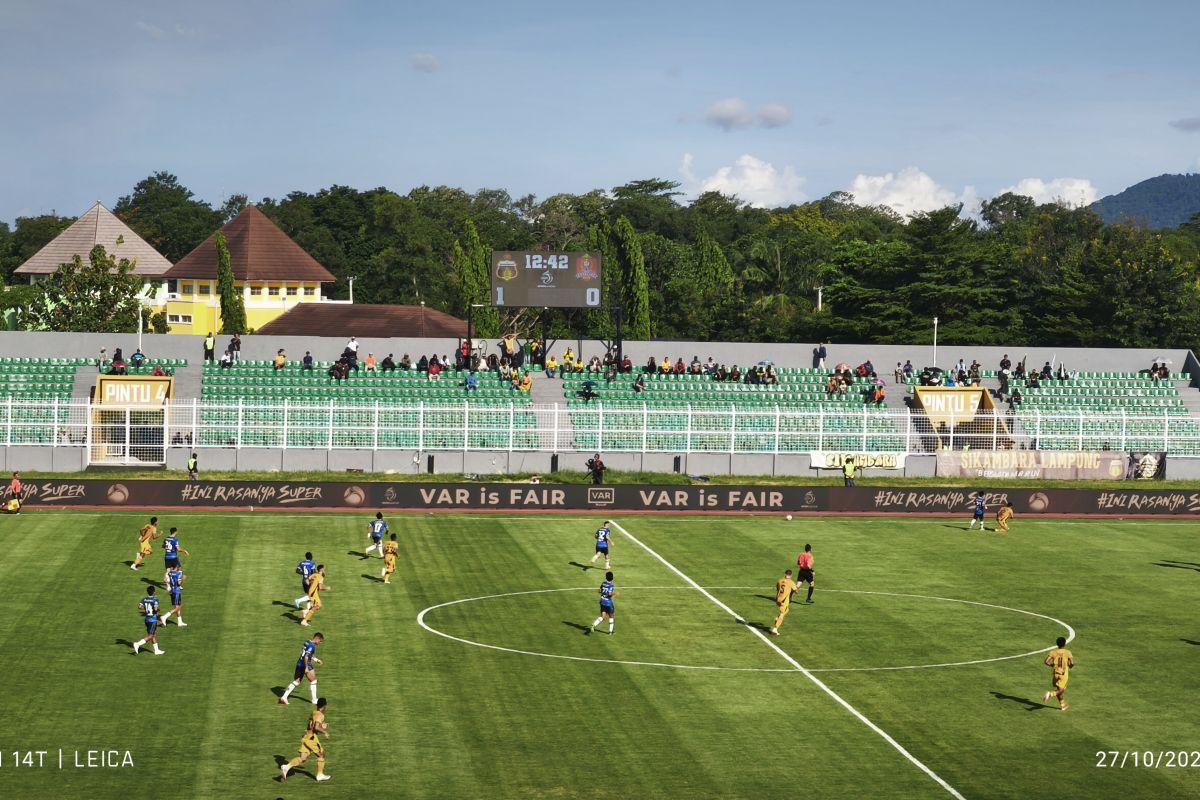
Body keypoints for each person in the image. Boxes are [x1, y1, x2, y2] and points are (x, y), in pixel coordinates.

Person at [280, 697, 331, 782]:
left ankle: (286, 767)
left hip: (305, 737)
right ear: (325, 705)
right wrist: (324, 732)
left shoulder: (314, 712)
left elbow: (313, 725)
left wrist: (322, 725)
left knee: (303, 758)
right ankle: (320, 775)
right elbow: (316, 727)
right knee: (321, 754)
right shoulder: (320, 715)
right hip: (311, 738)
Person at [279, 633, 324, 706]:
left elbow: (306, 653)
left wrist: (316, 660)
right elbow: (306, 656)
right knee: (313, 680)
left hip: (299, 663)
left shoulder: (307, 642)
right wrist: (306, 667)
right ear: (317, 639)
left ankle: (284, 697)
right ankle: (314, 699)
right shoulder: (312, 646)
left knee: (297, 681)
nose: (320, 643)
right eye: (320, 641)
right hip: (306, 664)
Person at [1042, 636, 1074, 711]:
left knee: (1058, 690)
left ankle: (1063, 705)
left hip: (1055, 673)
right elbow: (1072, 663)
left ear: (1057, 644)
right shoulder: (1068, 652)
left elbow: (1046, 661)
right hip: (1063, 674)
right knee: (1061, 690)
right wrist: (1070, 666)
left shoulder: (1053, 652)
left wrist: (1052, 665)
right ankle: (1050, 694)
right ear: (1065, 644)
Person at [133, 586, 165, 655]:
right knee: (151, 635)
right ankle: (138, 644)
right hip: (152, 620)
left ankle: (156, 651)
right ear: (154, 592)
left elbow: (139, 606)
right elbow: (156, 609)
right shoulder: (155, 599)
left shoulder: (144, 599)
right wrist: (157, 610)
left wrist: (146, 609)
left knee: (153, 635)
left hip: (147, 619)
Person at [770, 569, 799, 636]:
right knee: (782, 614)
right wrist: (796, 588)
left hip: (778, 599)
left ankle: (775, 623)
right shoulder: (791, 582)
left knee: (785, 611)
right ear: (791, 575)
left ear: (785, 574)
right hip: (784, 601)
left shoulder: (779, 580)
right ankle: (775, 628)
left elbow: (777, 588)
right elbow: (796, 591)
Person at [159, 562, 187, 627]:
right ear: (177, 566)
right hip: (176, 591)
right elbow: (179, 583)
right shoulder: (178, 573)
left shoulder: (169, 573)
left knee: (177, 606)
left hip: (172, 591)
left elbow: (164, 580)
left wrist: (169, 584)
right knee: (178, 607)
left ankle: (180, 622)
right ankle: (164, 617)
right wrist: (183, 579)